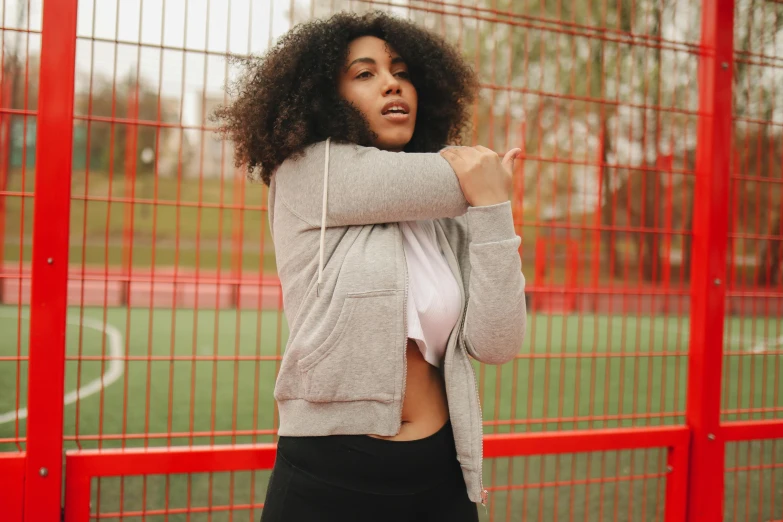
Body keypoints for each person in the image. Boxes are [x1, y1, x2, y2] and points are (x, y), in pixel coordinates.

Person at [215, 10, 527, 522]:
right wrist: (487, 186)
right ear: (324, 98)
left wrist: (493, 213)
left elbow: (497, 343)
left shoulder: (449, 214)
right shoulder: (308, 172)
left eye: (401, 72)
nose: (391, 84)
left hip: (441, 472)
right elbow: (460, 180)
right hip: (327, 476)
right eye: (365, 74)